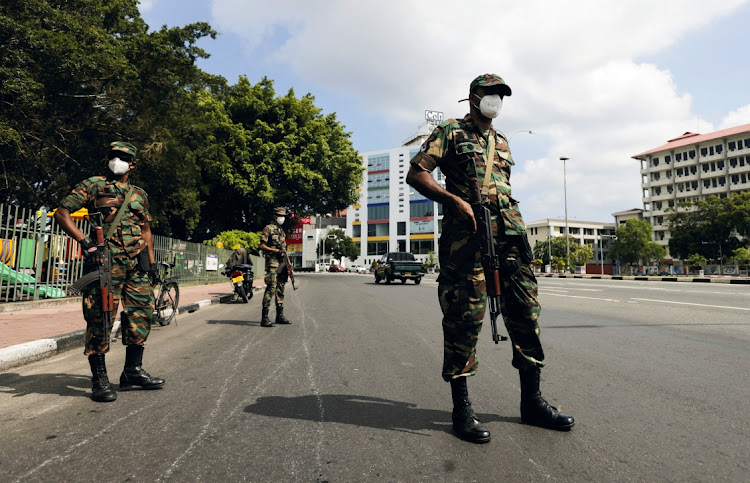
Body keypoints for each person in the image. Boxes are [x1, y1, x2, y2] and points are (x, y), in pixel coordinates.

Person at [406, 74, 574, 443]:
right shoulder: (450, 131)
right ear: (472, 97)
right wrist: (453, 200)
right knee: (463, 324)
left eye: (502, 95)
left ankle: (532, 403)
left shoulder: (502, 141)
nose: (496, 100)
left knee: (527, 318)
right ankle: (461, 409)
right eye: (490, 94)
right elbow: (416, 173)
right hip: (467, 242)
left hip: (511, 238)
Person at [55, 141, 165, 403]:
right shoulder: (93, 185)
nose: (117, 160)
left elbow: (146, 230)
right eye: (113, 156)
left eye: (123, 157)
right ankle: (99, 379)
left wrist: (150, 264)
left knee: (142, 315)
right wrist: (85, 242)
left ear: (133, 164)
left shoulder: (139, 194)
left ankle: (132, 372)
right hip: (105, 264)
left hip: (137, 265)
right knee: (101, 318)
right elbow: (62, 213)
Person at [258, 207, 292, 327]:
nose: (282, 218)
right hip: (272, 263)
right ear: (274, 216)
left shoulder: (282, 231)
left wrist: (288, 264)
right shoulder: (268, 228)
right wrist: (275, 250)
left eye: (283, 216)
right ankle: (265, 318)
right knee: (271, 288)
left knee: (280, 289)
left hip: (282, 263)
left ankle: (279, 315)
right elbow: (262, 245)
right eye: (280, 215)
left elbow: (284, 250)